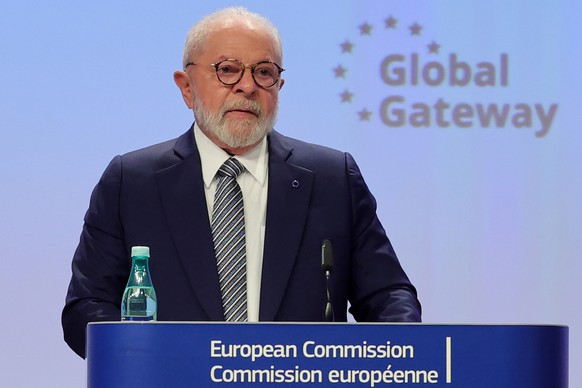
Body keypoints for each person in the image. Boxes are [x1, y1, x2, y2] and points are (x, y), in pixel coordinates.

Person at [62, 6, 421, 359]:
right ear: (186, 87)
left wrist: (398, 361)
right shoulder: (132, 181)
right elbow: (87, 307)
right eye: (227, 70)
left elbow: (388, 296)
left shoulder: (332, 178)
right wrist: (144, 360)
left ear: (279, 86)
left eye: (264, 72)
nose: (247, 86)